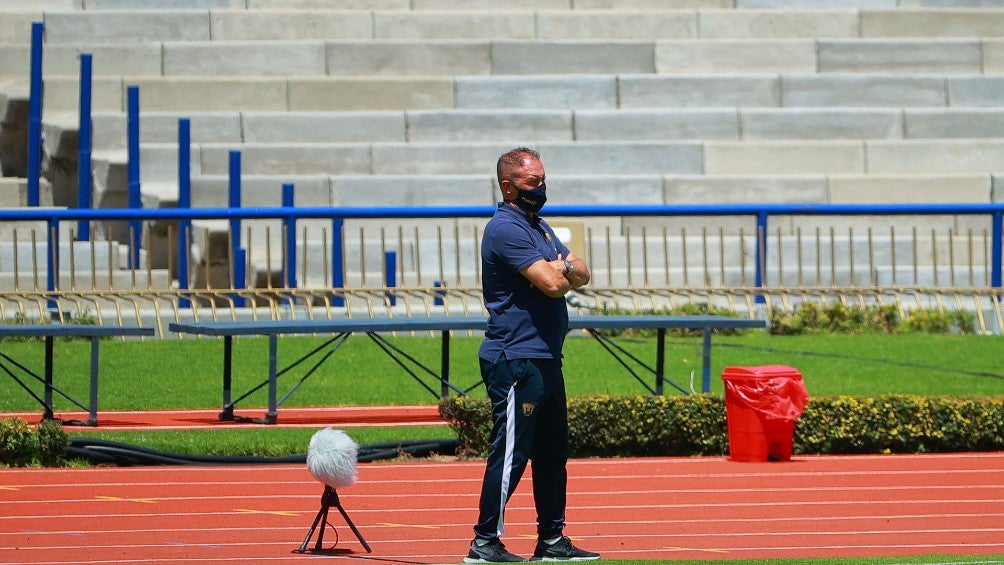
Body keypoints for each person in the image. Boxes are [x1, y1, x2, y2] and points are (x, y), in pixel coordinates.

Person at [465, 147, 600, 563]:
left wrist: (564, 266)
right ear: (508, 186)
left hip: (545, 356)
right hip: (515, 356)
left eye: (542, 179)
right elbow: (554, 283)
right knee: (511, 453)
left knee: (552, 454)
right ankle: (485, 542)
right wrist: (561, 268)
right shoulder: (506, 227)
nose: (540, 188)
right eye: (531, 182)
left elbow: (583, 271)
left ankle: (552, 541)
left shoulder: (537, 225)